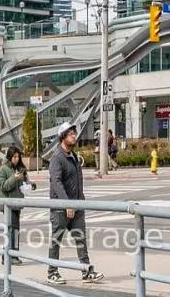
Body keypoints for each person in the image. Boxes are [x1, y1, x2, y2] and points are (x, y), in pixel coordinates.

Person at [47, 122, 105, 285]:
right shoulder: (57, 158)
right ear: (63, 137)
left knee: (81, 239)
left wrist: (80, 201)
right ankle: (52, 272)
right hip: (61, 208)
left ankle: (86, 271)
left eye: (74, 133)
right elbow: (56, 183)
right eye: (71, 133)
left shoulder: (73, 156)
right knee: (56, 241)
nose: (74, 136)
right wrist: (67, 204)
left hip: (77, 206)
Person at [0, 145, 29, 252]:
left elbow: (24, 183)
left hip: (17, 203)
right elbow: (3, 186)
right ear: (10, 157)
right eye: (14, 157)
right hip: (8, 205)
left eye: (18, 157)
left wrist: (29, 185)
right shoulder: (3, 169)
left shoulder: (20, 169)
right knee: (11, 230)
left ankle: (11, 254)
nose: (16, 159)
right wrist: (14, 178)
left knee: (15, 230)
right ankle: (9, 255)